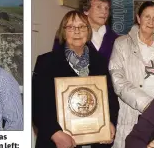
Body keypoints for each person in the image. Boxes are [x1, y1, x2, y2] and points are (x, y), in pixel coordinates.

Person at [32, 11, 119, 148]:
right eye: (71, 27)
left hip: (96, 141)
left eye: (82, 27)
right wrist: (55, 133)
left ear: (88, 31)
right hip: (58, 142)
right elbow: (38, 104)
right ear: (63, 32)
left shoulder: (100, 62)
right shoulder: (46, 62)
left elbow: (111, 100)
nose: (77, 32)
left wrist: (110, 123)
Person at [108, 1, 154, 148]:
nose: (151, 22)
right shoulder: (121, 44)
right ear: (138, 18)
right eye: (147, 16)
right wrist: (147, 104)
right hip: (131, 112)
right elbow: (117, 80)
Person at [53, 0, 119, 64]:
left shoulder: (116, 38)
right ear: (86, 10)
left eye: (107, 8)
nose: (104, 12)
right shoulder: (67, 34)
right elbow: (56, 62)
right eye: (99, 7)